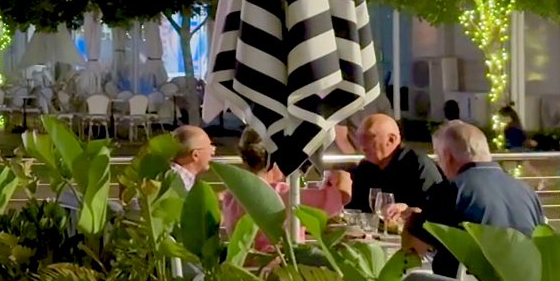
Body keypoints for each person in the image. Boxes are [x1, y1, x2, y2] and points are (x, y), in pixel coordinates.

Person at [399, 120, 545, 277]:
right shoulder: (526, 190)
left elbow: (419, 240)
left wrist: (412, 219)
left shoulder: (452, 190)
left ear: (447, 157)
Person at [220, 129, 350, 245]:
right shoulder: (280, 194)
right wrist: (338, 172)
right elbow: (337, 198)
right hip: (279, 262)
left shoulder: (231, 195)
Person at [344, 114, 443, 216]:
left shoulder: (417, 164)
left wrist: (408, 211)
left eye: (369, 137)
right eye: (359, 137)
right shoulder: (365, 168)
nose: (362, 145)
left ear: (391, 139)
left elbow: (439, 208)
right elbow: (356, 209)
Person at [171, 125, 214, 191]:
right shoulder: (182, 185)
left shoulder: (166, 176)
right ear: (195, 155)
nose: (212, 152)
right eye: (209, 147)